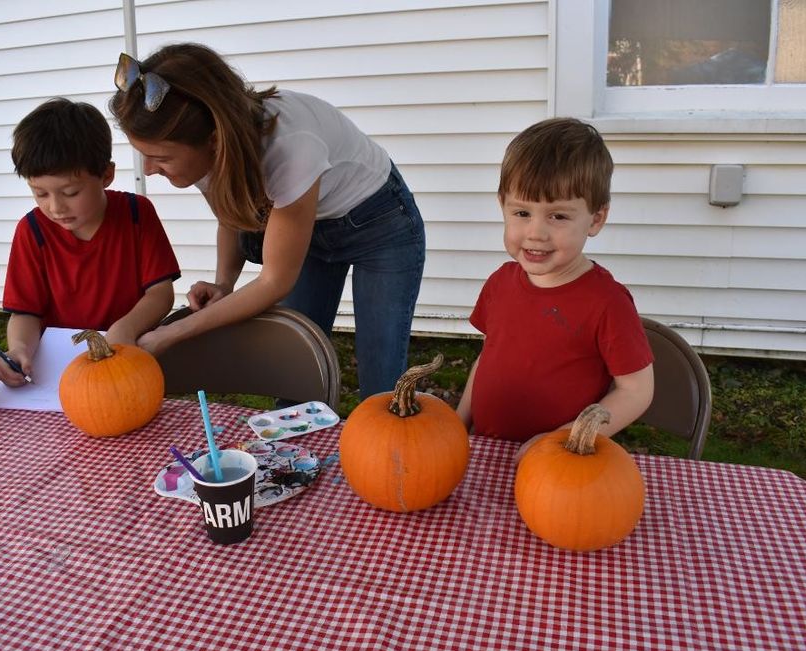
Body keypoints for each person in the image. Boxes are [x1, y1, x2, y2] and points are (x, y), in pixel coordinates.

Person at [109, 44, 425, 399]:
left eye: (160, 158)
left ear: (215, 140)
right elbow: (229, 214)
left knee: (381, 380)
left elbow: (274, 281)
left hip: (380, 221)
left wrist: (171, 333)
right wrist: (223, 283)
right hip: (313, 224)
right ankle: (291, 453)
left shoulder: (291, 147)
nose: (149, 170)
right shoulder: (207, 147)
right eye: (144, 156)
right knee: (295, 367)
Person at [456, 117, 654, 455]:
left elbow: (636, 391)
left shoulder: (607, 302)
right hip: (486, 451)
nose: (536, 232)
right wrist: (460, 420)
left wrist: (565, 439)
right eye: (522, 213)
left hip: (561, 468)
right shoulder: (500, 283)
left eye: (558, 216)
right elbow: (488, 357)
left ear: (596, 219)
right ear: (502, 204)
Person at [0, 98, 181, 387]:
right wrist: (20, 348)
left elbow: (160, 293)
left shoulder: (136, 214)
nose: (56, 207)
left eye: (70, 192)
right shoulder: (32, 231)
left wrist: (123, 330)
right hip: (62, 369)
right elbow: (25, 312)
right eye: (40, 194)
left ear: (106, 175)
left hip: (129, 356)